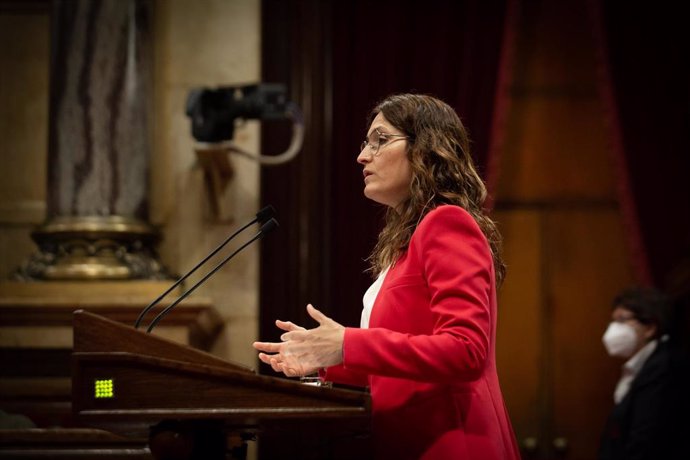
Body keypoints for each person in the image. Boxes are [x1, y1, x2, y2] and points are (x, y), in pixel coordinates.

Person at [253, 94, 520, 460]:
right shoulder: (408, 243)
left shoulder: (446, 223)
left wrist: (348, 342)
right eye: (366, 143)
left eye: (380, 140)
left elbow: (465, 350)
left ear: (427, 148)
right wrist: (327, 359)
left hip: (453, 443)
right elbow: (402, 366)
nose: (363, 155)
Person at [599, 286, 688, 460]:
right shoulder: (642, 365)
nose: (614, 329)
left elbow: (647, 440)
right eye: (613, 321)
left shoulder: (663, 367)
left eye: (622, 320)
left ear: (650, 328)